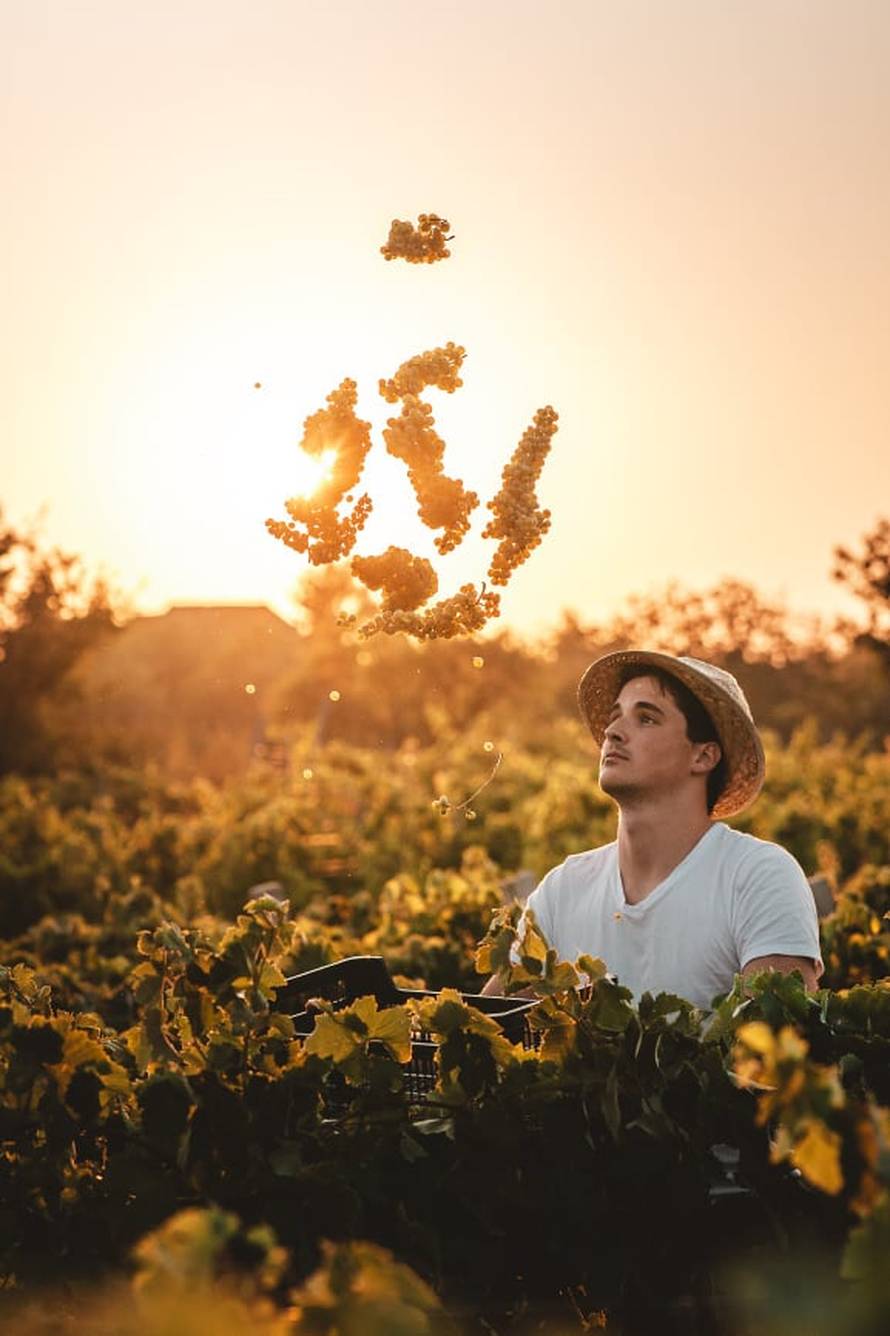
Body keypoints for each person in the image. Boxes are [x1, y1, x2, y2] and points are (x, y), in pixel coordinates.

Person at [482, 650, 823, 1010]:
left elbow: (776, 1046)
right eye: (615, 718)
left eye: (646, 718)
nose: (613, 732)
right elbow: (485, 1030)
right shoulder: (562, 889)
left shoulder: (758, 875)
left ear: (703, 756)